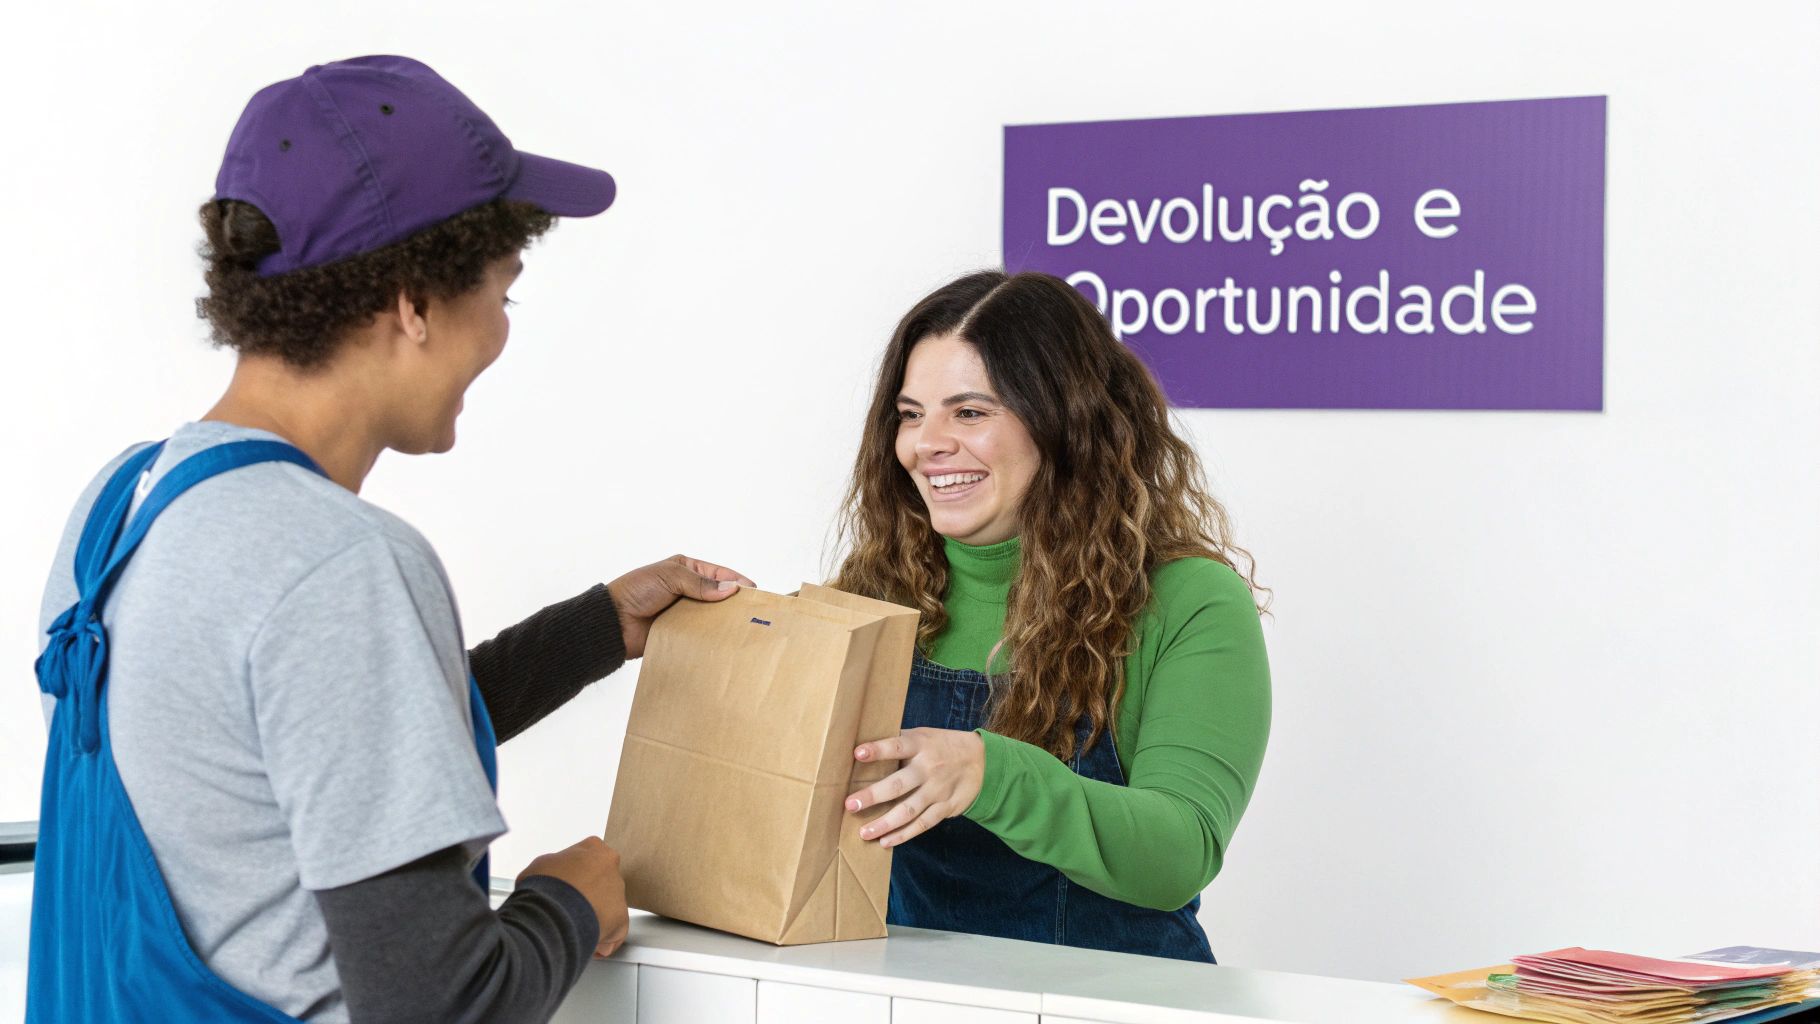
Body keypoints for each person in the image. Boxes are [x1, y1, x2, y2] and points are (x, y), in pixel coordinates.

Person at [29, 56, 751, 1023]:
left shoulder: (121, 504)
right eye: (503, 294)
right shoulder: (338, 562)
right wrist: (568, 901)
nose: (500, 333)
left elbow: (302, 760)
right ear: (412, 302)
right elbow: (442, 1004)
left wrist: (593, 630)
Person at [835, 270, 1271, 962]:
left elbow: (1180, 850)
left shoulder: (1189, 603)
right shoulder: (876, 592)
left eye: (970, 413)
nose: (927, 445)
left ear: (1064, 422)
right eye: (911, 414)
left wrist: (991, 773)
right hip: (913, 1003)